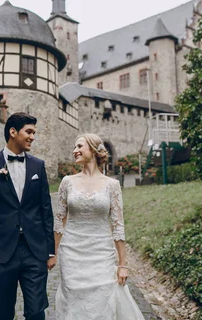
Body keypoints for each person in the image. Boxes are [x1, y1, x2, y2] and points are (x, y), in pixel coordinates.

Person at [0, 112, 56, 320]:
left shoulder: (38, 166)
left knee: (37, 311)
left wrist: (50, 250)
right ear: (13, 132)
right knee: (2, 312)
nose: (32, 137)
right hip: (1, 251)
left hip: (34, 250)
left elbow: (46, 209)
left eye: (34, 133)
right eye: (29, 131)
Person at [53, 134, 145, 320]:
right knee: (75, 305)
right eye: (74, 147)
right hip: (72, 254)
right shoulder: (67, 182)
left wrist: (123, 265)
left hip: (102, 254)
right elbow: (59, 220)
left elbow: (118, 225)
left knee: (102, 303)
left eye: (79, 146)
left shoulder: (112, 185)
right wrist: (52, 253)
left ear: (94, 150)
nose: (74, 150)